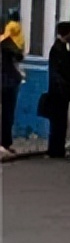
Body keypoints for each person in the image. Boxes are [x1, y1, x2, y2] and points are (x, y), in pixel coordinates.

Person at [46, 22, 70, 159]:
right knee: (58, 121)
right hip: (58, 91)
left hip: (61, 90)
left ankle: (57, 148)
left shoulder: (63, 47)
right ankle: (55, 149)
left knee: (60, 121)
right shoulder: (57, 49)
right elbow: (57, 71)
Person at [1, 11, 26, 158]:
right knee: (7, 114)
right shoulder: (9, 42)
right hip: (8, 81)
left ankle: (5, 143)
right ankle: (5, 143)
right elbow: (19, 55)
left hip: (8, 80)